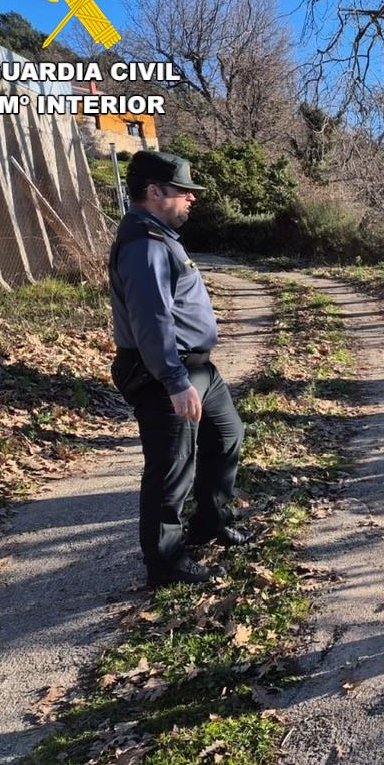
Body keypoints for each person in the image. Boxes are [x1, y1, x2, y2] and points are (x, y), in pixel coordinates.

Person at [109, 150, 250, 588]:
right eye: (183, 191)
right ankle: (164, 563)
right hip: (166, 373)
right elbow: (151, 321)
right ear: (155, 191)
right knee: (171, 469)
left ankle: (210, 520)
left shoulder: (158, 235)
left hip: (197, 368)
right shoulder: (144, 245)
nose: (191, 199)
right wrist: (174, 381)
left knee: (227, 436)